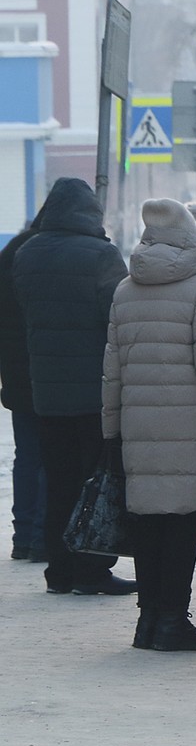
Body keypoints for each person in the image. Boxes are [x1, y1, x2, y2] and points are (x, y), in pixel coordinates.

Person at [102, 198, 196, 651]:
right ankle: (172, 623)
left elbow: (113, 373)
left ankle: (147, 624)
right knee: (182, 528)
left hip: (137, 433)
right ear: (189, 235)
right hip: (190, 433)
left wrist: (111, 433)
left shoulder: (124, 290)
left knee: (146, 526)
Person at [11, 177, 135, 596]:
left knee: (59, 482)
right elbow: (119, 317)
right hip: (94, 395)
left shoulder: (27, 254)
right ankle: (93, 570)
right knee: (97, 483)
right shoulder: (101, 255)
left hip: (46, 394)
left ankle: (59, 572)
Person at [0, 213, 49, 562]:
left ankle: (23, 536)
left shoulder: (12, 252)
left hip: (17, 374)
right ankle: (41, 538)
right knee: (55, 457)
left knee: (27, 455)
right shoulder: (54, 253)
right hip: (56, 374)